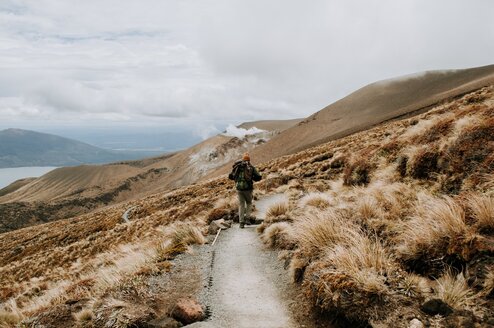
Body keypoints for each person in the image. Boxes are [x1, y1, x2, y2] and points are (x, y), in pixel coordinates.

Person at [228, 153, 262, 228]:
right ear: (249, 160)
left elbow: (230, 176)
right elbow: (258, 177)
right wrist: (253, 178)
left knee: (241, 205)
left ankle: (241, 223)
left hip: (239, 189)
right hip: (248, 189)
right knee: (249, 203)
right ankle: (247, 219)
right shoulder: (251, 167)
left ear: (242, 160)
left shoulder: (237, 167)